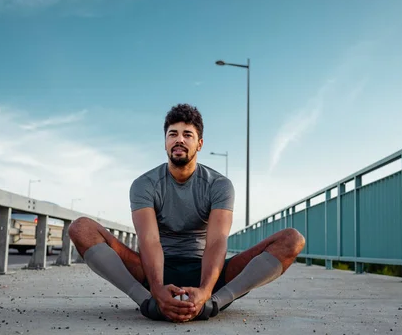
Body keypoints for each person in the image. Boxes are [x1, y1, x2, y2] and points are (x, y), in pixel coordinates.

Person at [68, 104, 305, 322]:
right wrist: (157, 288)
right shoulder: (144, 184)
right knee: (81, 228)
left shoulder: (219, 185)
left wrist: (205, 290)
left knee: (291, 240)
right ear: (165, 142)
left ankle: (212, 304)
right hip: (157, 269)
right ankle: (148, 302)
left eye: (187, 135)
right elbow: (149, 240)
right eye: (173, 134)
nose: (179, 140)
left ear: (199, 144)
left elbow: (216, 241)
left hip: (207, 270)